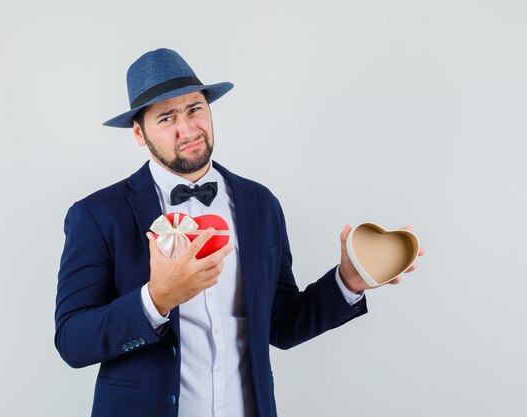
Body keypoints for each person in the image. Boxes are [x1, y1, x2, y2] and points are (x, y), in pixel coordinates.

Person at [54, 48, 424, 417]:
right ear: (139, 133)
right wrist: (157, 300)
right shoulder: (97, 215)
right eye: (167, 118)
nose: (188, 130)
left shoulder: (260, 204)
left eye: (194, 109)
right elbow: (73, 341)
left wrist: (348, 282)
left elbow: (280, 325)